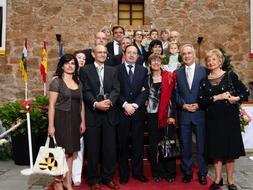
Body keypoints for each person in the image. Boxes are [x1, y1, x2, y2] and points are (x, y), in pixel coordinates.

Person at [198, 49, 249, 190]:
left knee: (230, 152)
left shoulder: (230, 76)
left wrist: (236, 98)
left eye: (214, 59)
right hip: (212, 120)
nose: (210, 62)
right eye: (208, 60)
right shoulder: (203, 81)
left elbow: (245, 92)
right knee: (216, 152)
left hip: (229, 119)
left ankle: (231, 181)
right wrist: (217, 97)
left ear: (220, 61)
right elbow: (201, 101)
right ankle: (217, 179)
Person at [79, 45, 120, 190]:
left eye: (104, 52)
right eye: (99, 52)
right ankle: (93, 180)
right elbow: (85, 90)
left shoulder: (112, 70)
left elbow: (116, 89)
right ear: (93, 54)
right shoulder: (85, 70)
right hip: (93, 114)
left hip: (109, 114)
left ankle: (107, 178)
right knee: (93, 149)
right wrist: (96, 104)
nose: (102, 54)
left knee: (109, 149)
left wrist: (110, 101)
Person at [48, 54, 86, 190]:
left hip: (75, 120)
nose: (70, 66)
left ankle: (67, 182)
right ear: (62, 65)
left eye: (73, 63)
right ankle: (58, 182)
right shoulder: (56, 82)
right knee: (60, 153)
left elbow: (81, 104)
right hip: (61, 120)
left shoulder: (78, 82)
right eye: (67, 63)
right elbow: (51, 105)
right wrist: (51, 126)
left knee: (71, 153)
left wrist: (83, 122)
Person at [174, 44, 207, 185]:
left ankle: (202, 172)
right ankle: (187, 171)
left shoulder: (204, 71)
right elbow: (174, 93)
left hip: (200, 113)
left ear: (194, 55)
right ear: (182, 56)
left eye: (189, 53)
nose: (186, 56)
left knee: (201, 145)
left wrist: (199, 104)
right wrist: (183, 105)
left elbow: (208, 92)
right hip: (184, 114)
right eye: (184, 54)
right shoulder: (177, 73)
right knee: (185, 145)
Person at [117, 45, 149, 184]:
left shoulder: (143, 70)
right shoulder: (116, 70)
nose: (131, 55)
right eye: (129, 52)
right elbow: (114, 90)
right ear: (124, 54)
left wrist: (135, 105)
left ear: (137, 56)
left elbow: (145, 90)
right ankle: (124, 174)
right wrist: (125, 104)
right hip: (121, 111)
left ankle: (138, 172)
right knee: (122, 144)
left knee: (138, 144)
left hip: (137, 113)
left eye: (134, 53)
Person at [146, 53, 177, 183]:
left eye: (158, 60)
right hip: (152, 115)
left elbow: (173, 97)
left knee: (168, 143)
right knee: (154, 144)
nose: (156, 63)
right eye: (153, 60)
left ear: (161, 62)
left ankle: (170, 172)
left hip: (167, 115)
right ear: (149, 63)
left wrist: (171, 115)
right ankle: (157, 171)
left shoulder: (169, 77)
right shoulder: (146, 79)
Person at [71, 50, 86, 186]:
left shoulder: (85, 76)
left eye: (84, 58)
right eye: (79, 57)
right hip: (66, 114)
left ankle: (76, 176)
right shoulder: (64, 76)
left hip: (82, 113)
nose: (81, 60)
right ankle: (64, 174)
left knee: (79, 146)